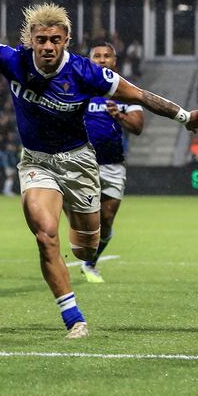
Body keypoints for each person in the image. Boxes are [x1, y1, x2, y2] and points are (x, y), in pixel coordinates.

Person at [0, 3, 198, 339]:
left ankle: (76, 219)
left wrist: (185, 117)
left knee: (84, 248)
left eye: (55, 39)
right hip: (37, 161)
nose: (48, 46)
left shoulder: (86, 72)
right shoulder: (14, 59)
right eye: (41, 40)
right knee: (45, 235)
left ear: (66, 39)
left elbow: (139, 95)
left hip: (78, 162)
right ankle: (73, 318)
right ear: (31, 41)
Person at [79, 42, 144, 284]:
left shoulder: (124, 91)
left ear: (114, 61)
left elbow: (137, 127)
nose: (102, 60)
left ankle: (91, 263)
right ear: (90, 61)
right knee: (85, 218)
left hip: (113, 164)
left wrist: (120, 115)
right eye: (97, 56)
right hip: (82, 163)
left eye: (107, 56)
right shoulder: (79, 89)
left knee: (106, 220)